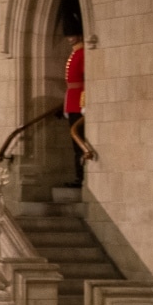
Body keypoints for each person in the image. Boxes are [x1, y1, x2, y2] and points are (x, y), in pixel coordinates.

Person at [63, 32, 86, 188]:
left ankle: (82, 177)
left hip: (78, 102)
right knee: (75, 144)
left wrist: (83, 103)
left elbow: (85, 80)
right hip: (72, 102)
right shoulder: (75, 54)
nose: (70, 37)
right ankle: (78, 175)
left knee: (80, 141)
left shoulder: (83, 54)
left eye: (72, 33)